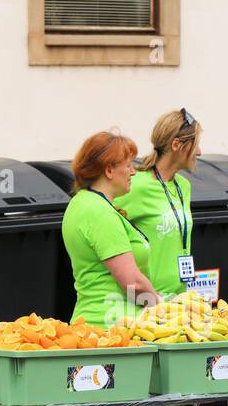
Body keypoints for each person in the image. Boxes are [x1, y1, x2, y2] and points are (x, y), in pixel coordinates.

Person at [61, 131, 159, 327]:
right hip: (111, 330)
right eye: (129, 165)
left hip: (93, 324)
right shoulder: (99, 213)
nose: (133, 172)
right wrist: (161, 306)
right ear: (109, 170)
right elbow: (133, 283)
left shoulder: (81, 203)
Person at [116, 108, 203, 298]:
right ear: (176, 145)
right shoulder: (136, 185)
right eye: (195, 145)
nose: (199, 152)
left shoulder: (184, 186)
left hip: (179, 298)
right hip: (145, 300)